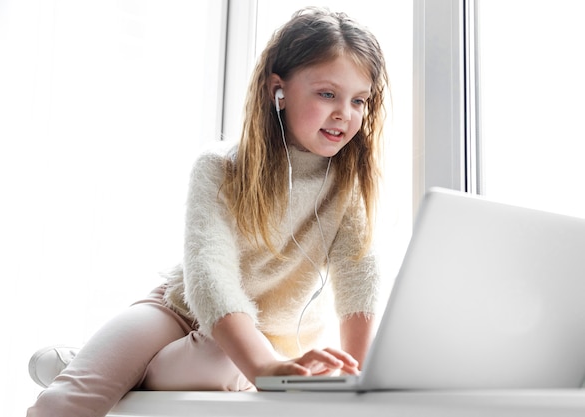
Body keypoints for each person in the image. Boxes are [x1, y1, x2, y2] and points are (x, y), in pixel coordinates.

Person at [27, 6, 389, 417]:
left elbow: (360, 277)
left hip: (260, 343)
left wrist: (357, 376)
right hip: (176, 312)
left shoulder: (347, 189)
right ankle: (97, 368)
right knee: (64, 401)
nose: (345, 112)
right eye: (327, 94)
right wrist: (265, 369)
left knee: (221, 360)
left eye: (359, 100)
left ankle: (106, 367)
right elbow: (209, 276)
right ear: (278, 90)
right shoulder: (220, 167)